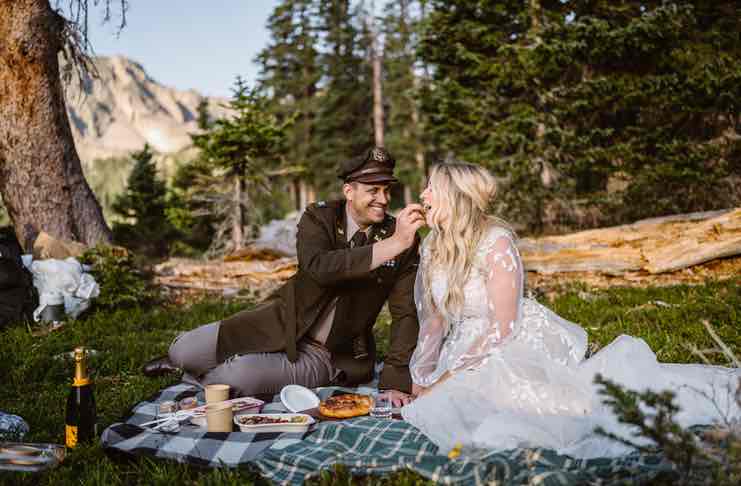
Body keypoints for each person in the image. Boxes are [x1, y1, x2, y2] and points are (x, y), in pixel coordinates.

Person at [401, 161, 741, 458]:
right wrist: (420, 378)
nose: (423, 194)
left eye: (431, 187)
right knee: (442, 404)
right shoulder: (434, 246)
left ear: (454, 196)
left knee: (550, 410)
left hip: (507, 344)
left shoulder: (496, 242)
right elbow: (434, 321)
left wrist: (444, 380)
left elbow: (502, 328)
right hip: (463, 348)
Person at [144, 147, 425, 405]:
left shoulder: (401, 237)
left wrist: (395, 380)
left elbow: (406, 313)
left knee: (235, 378)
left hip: (327, 352)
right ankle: (191, 364)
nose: (384, 199)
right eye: (373, 190)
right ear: (349, 191)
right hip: (281, 321)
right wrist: (392, 245)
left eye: (387, 190)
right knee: (182, 351)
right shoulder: (321, 217)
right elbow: (319, 267)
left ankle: (201, 374)